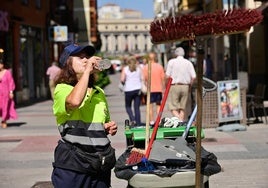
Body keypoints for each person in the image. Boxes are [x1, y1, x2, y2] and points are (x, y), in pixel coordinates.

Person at [51, 43, 118, 188]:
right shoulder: (62, 89)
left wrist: (107, 127)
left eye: (87, 56)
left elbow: (101, 123)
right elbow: (74, 102)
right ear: (67, 63)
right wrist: (87, 72)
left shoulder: (98, 92)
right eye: (80, 57)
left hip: (99, 163)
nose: (86, 60)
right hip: (73, 165)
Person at [166, 47, 196, 122]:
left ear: (176, 53)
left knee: (172, 106)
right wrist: (190, 86)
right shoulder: (188, 62)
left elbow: (167, 76)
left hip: (174, 86)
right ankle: (181, 120)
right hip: (185, 86)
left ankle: (179, 120)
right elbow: (193, 76)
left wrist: (166, 86)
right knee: (183, 107)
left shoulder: (171, 62)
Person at [143, 52, 165, 126]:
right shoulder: (159, 66)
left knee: (150, 106)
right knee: (158, 105)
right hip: (158, 89)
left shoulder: (146, 67)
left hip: (150, 89)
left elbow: (144, 78)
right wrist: (163, 88)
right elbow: (163, 78)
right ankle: (158, 120)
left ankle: (151, 121)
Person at [120, 56, 142, 126]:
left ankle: (132, 119)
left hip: (128, 90)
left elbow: (122, 79)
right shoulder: (139, 69)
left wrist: (124, 83)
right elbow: (143, 78)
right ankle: (138, 123)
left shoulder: (125, 69)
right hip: (138, 90)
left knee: (128, 106)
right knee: (137, 108)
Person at [0, 59, 18, 128]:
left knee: (5, 107)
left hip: (5, 93)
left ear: (2, 65)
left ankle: (4, 120)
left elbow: (11, 82)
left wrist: (11, 92)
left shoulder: (7, 73)